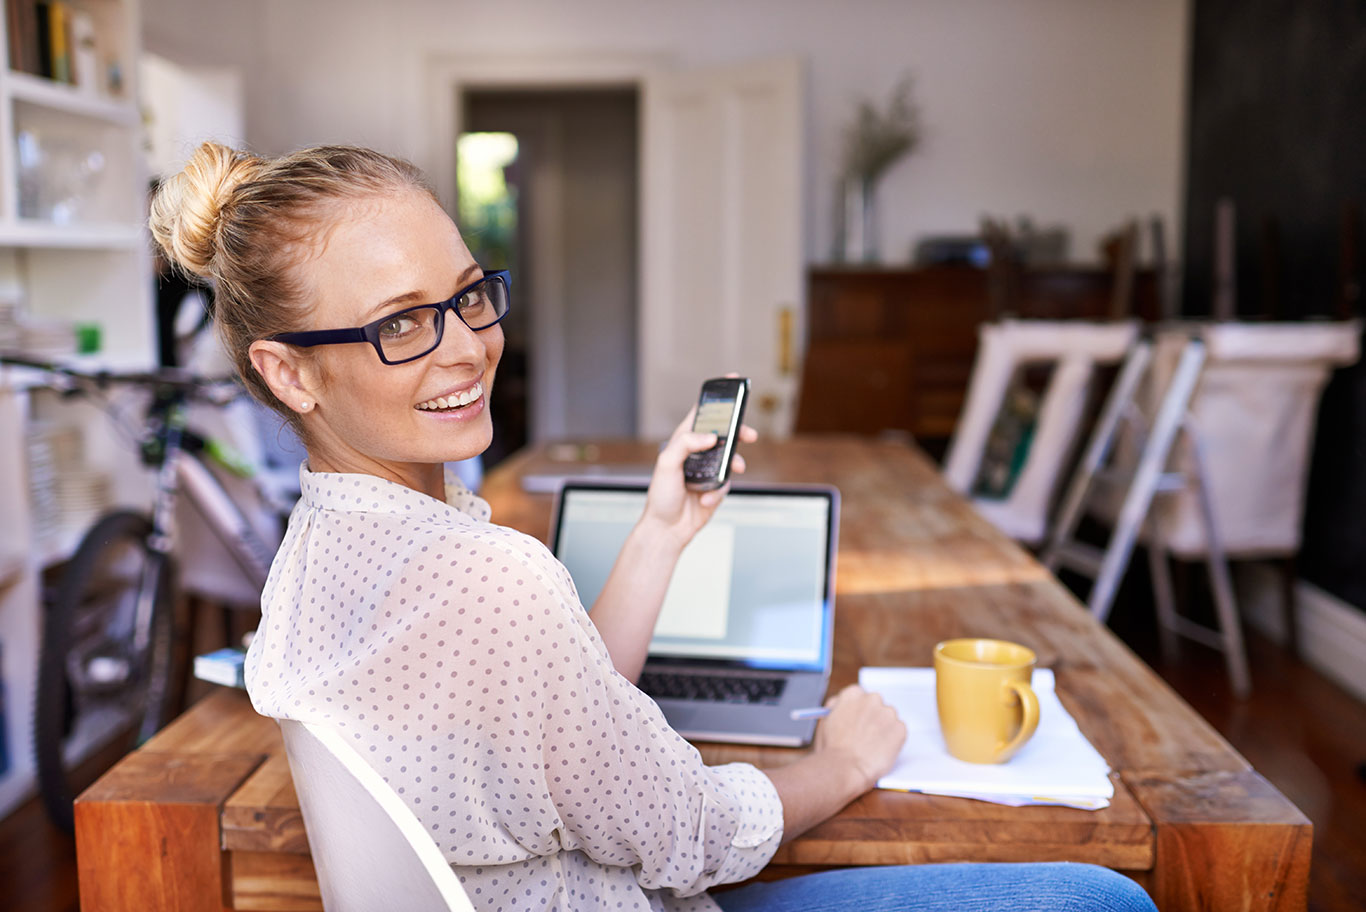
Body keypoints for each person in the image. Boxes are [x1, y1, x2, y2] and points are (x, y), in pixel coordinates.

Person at [149, 141, 1157, 912]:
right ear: (288, 370)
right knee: (1102, 898)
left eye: (467, 296)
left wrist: (660, 531)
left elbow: (551, 719)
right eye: (400, 323)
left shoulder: (319, 556)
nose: (466, 349)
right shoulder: (485, 575)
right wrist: (838, 763)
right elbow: (688, 832)